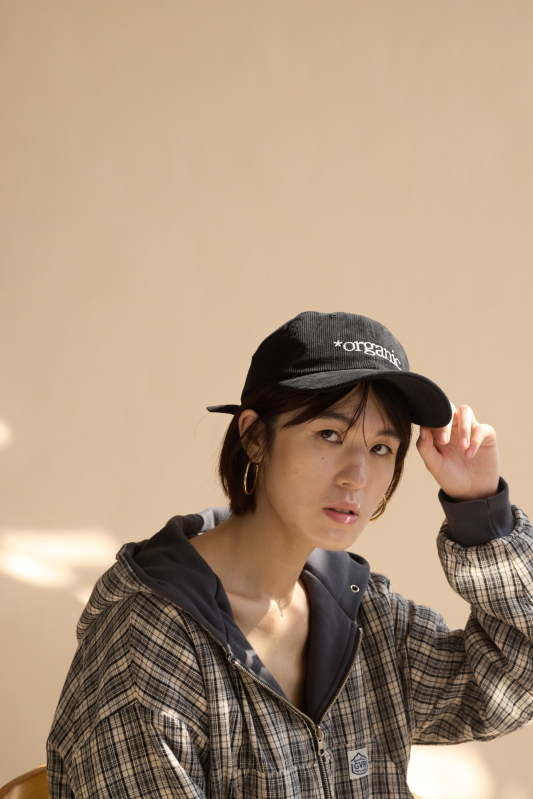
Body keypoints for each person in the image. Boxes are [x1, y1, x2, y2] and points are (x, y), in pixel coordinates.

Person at [47, 311, 533, 799]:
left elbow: (511, 682)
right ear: (255, 437)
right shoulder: (149, 645)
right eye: (329, 435)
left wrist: (481, 512)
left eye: (382, 447)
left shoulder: (366, 620)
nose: (357, 477)